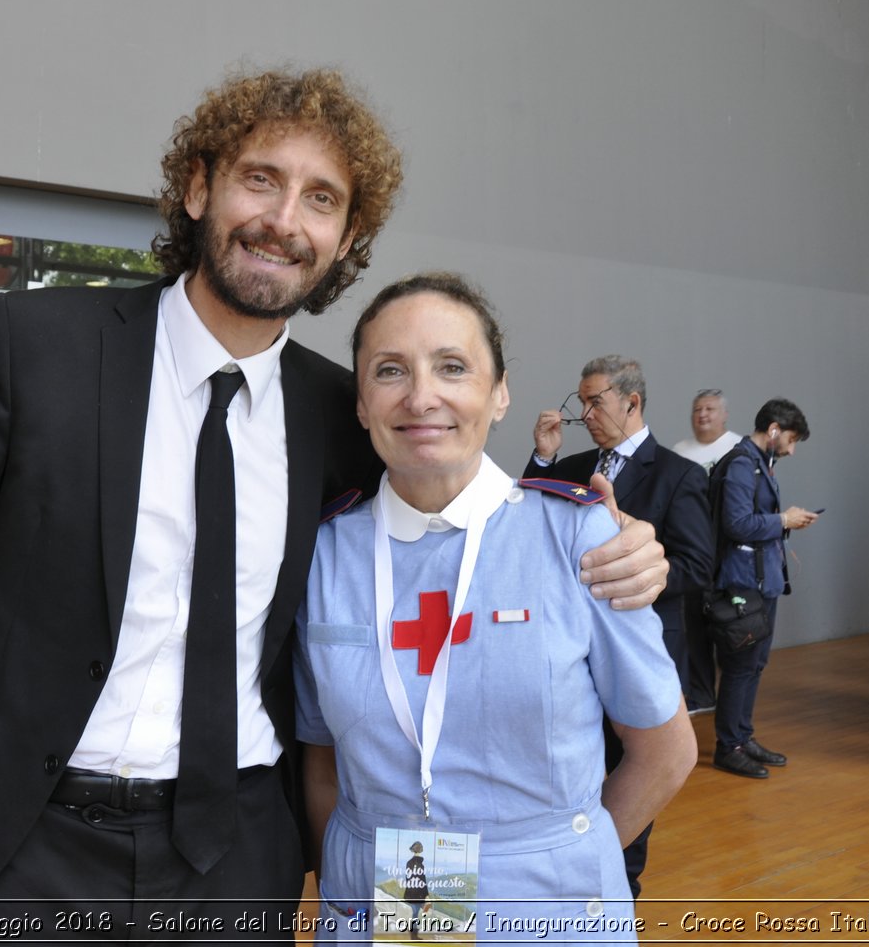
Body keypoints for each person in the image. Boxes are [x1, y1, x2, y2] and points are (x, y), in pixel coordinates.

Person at [0, 69, 669, 944]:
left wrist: (616, 535)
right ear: (197, 187)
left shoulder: (346, 412)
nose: (284, 219)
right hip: (21, 845)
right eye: (261, 178)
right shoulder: (36, 346)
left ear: (345, 238)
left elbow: (452, 512)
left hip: (234, 856)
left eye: (321, 199)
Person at [297, 273, 696, 941]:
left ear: (500, 391)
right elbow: (321, 762)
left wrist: (562, 856)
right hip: (381, 894)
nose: (422, 396)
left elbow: (666, 752)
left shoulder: (579, 536)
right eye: (390, 370)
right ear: (362, 403)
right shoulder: (324, 551)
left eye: (452, 366)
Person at [524, 354, 711, 893]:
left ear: (632, 402)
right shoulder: (572, 464)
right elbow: (531, 512)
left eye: (594, 401)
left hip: (640, 646)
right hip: (570, 653)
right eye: (579, 402)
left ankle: (618, 891)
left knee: (640, 773)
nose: (583, 414)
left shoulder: (680, 474)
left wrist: (638, 574)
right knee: (578, 767)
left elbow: (698, 566)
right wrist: (542, 456)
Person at [707, 398, 818, 779]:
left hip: (760, 580)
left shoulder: (758, 464)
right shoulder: (741, 465)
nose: (791, 448)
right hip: (743, 582)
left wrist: (784, 522)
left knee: (754, 664)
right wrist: (782, 519)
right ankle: (729, 746)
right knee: (741, 666)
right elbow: (736, 523)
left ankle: (742, 737)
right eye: (791, 438)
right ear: (773, 430)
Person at [672, 388, 742, 715]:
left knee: (729, 625)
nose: (703, 414)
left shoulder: (738, 449)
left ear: (724, 414)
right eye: (697, 409)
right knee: (694, 626)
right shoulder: (679, 452)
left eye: (710, 409)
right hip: (691, 551)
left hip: (728, 554)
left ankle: (732, 695)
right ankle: (702, 694)